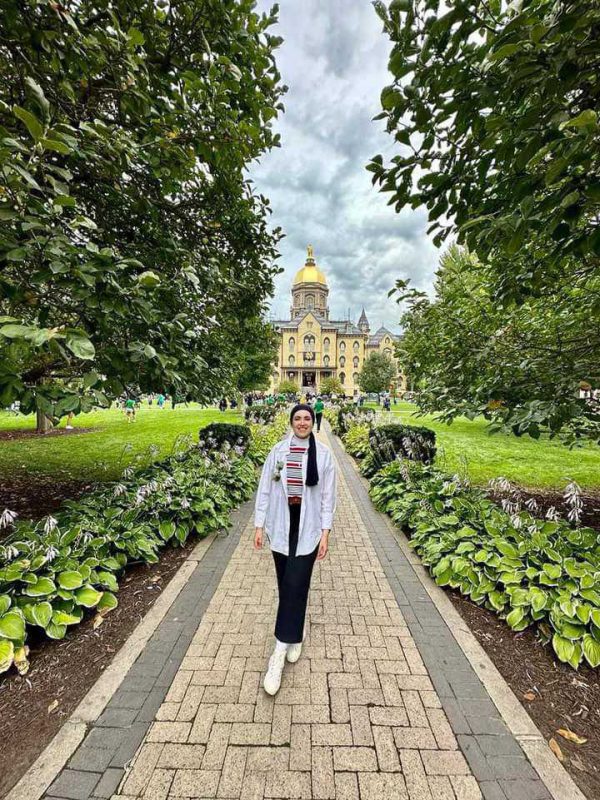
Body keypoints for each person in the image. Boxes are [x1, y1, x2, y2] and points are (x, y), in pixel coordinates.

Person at [254, 404, 337, 696]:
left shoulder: (324, 456)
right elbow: (265, 487)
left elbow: (328, 498)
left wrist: (325, 533)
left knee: (295, 582)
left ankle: (278, 651)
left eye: (307, 418)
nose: (302, 423)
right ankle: (296, 633)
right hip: (281, 524)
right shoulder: (278, 451)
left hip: (308, 528)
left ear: (313, 422)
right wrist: (258, 524)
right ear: (291, 422)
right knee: (287, 585)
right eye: (298, 418)